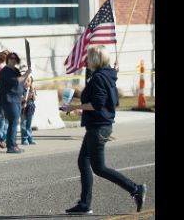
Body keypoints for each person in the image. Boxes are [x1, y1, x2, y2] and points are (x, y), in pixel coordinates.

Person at [62, 45, 146, 215]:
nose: (86, 59)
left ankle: (135, 189)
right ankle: (85, 204)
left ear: (95, 59)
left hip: (99, 127)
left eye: (88, 56)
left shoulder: (100, 77)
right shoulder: (106, 75)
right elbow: (108, 99)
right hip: (97, 126)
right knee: (83, 161)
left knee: (99, 168)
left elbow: (97, 104)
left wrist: (74, 107)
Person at [0, 51, 31, 153]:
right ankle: (11, 146)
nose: (13, 60)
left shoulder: (16, 70)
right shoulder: (5, 71)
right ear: (7, 59)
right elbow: (16, 81)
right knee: (13, 122)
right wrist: (27, 73)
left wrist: (27, 77)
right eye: (11, 58)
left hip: (17, 99)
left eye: (15, 58)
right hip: (9, 99)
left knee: (14, 122)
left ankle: (13, 144)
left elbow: (21, 81)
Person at [20, 75, 37, 145]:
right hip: (23, 109)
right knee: (23, 124)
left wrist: (32, 93)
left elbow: (34, 99)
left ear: (31, 82)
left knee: (29, 124)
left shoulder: (31, 89)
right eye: (25, 81)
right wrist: (25, 98)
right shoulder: (20, 89)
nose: (26, 82)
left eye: (28, 81)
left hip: (30, 108)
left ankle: (30, 138)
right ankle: (24, 139)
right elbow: (20, 99)